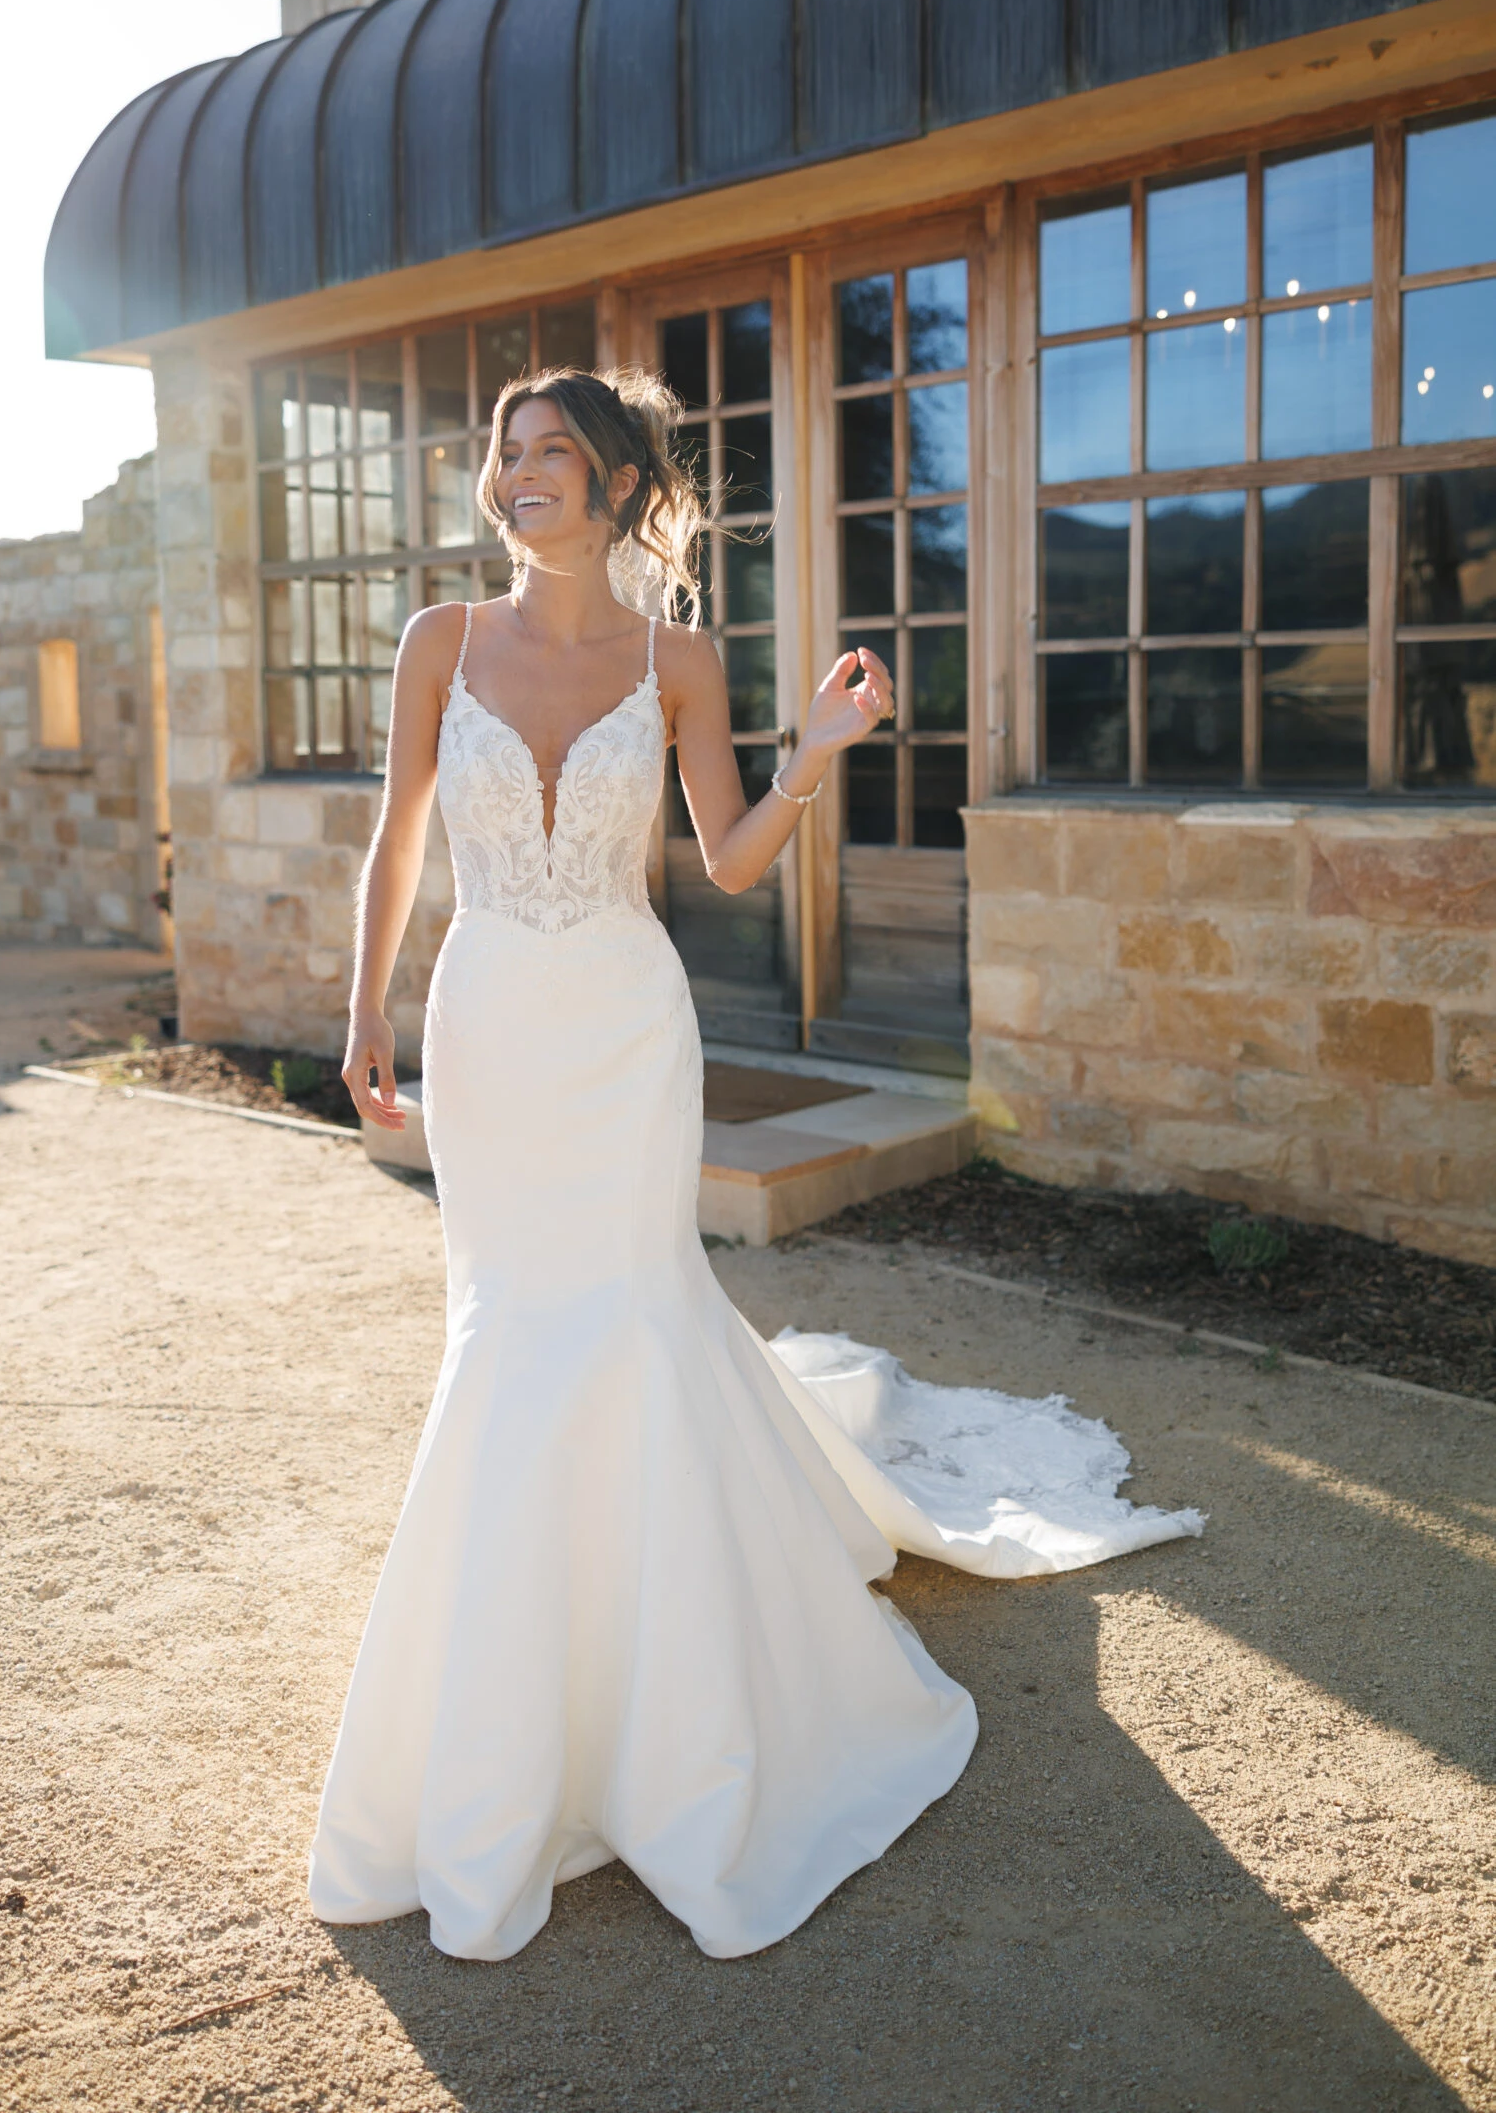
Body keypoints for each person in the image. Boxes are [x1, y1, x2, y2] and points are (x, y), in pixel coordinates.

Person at [309, 366, 1200, 1962]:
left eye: (554, 455)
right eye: (506, 455)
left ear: (617, 484)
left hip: (625, 1031)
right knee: (513, 1327)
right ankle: (514, 1695)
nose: (520, 478)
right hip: (496, 1023)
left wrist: (823, 742)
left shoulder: (677, 658)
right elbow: (397, 836)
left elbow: (721, 859)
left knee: (634, 1313)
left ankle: (671, 1703)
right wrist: (364, 1007)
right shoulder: (441, 640)